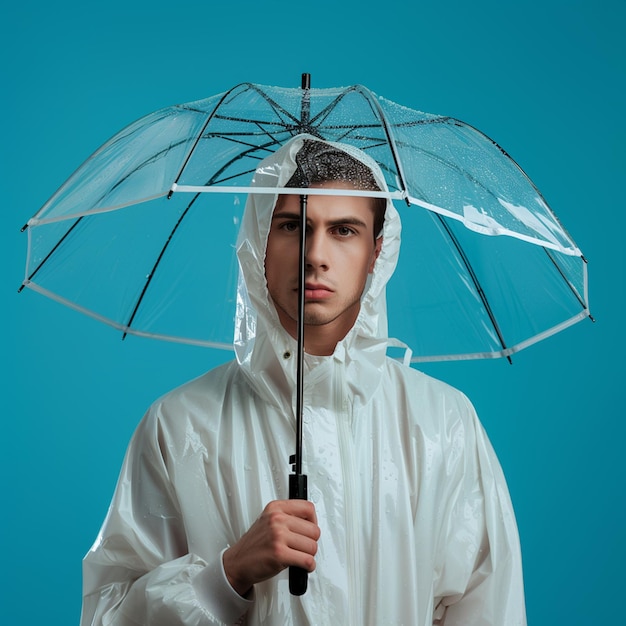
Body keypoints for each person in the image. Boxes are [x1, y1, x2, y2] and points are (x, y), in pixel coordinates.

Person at [80, 135, 527, 625]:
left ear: (377, 251)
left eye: (343, 230)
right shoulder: (180, 425)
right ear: (258, 244)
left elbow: (489, 607)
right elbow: (109, 614)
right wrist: (227, 575)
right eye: (293, 225)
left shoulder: (443, 423)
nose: (315, 254)